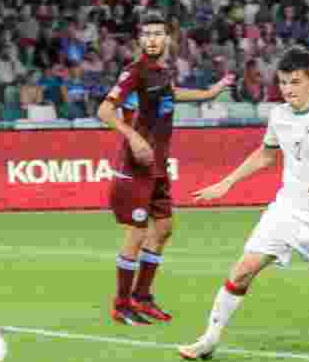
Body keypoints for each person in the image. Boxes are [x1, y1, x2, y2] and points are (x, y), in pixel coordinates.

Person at [179, 46, 309, 360]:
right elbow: (265, 155)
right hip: (286, 210)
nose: (288, 89)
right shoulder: (279, 115)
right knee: (243, 270)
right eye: (283, 82)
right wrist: (226, 183)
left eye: (295, 82)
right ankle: (209, 339)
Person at [97, 16, 234, 325]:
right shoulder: (134, 72)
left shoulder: (162, 72)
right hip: (135, 167)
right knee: (137, 234)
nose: (152, 39)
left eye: (158, 33)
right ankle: (122, 304)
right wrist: (133, 138)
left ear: (167, 39)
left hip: (157, 166)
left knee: (163, 228)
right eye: (147, 34)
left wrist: (210, 93)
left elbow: (172, 93)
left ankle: (142, 298)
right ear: (140, 40)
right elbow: (104, 110)